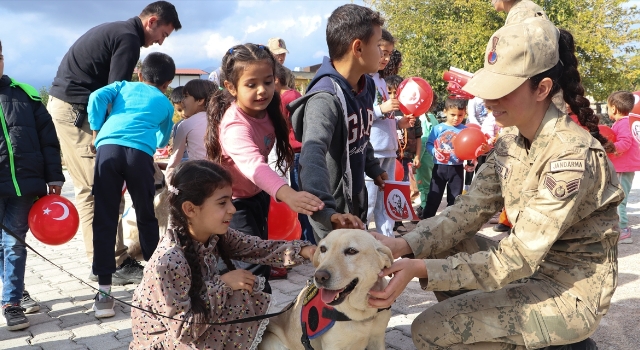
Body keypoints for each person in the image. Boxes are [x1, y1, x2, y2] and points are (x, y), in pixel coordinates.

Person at [369, 17, 621, 350]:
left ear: (542, 88)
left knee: (431, 330)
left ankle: (562, 342)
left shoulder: (570, 157)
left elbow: (517, 258)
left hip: (568, 292)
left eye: (502, 90)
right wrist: (404, 246)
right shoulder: (512, 140)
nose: (488, 101)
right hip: (530, 274)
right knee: (441, 241)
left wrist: (419, 268)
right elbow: (466, 213)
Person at [47, 1, 181, 283]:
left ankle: (111, 259)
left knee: (104, 189)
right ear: (152, 21)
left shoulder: (121, 32)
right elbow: (112, 95)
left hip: (74, 107)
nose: (159, 42)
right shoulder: (129, 39)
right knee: (96, 191)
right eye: (163, 35)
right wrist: (100, 132)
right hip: (76, 111)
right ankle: (110, 264)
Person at [130, 160, 315, 349]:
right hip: (167, 342)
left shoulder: (216, 236)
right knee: (237, 294)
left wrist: (306, 251)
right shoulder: (169, 261)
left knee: (242, 291)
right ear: (190, 209)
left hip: (192, 329)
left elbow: (258, 248)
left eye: (231, 200)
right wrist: (223, 284)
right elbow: (183, 331)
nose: (233, 209)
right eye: (222, 203)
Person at [206, 43, 324, 293]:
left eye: (268, 82)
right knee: (253, 271)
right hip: (232, 203)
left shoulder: (268, 110)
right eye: (251, 84)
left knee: (257, 259)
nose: (262, 91)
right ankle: (257, 322)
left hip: (255, 196)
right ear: (231, 87)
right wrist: (289, 195)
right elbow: (254, 166)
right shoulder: (235, 126)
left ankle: (253, 317)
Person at [289, 4, 387, 242]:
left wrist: (373, 168)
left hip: (355, 205)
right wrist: (326, 212)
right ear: (358, 47)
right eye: (378, 45)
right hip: (332, 215)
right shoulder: (325, 99)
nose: (383, 54)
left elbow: (362, 135)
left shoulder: (367, 85)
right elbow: (312, 156)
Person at [88, 52, 175, 318]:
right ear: (167, 83)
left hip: (109, 149)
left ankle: (104, 294)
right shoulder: (166, 102)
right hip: (139, 156)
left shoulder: (122, 86)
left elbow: (95, 97)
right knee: (146, 216)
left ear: (140, 74)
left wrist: (96, 130)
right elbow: (162, 140)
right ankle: (155, 286)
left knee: (104, 217)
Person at [0, 40, 65, 330]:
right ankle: (14, 291)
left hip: (24, 187)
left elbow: (49, 141)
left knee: (14, 243)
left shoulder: (25, 95)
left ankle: (11, 303)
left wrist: (54, 176)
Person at [366, 29, 414, 237]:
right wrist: (380, 109)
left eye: (388, 53)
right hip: (372, 154)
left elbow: (383, 117)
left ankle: (388, 243)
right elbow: (360, 115)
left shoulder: (381, 81)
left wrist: (398, 122)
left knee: (387, 204)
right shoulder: (364, 80)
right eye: (382, 52)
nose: (385, 58)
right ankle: (358, 245)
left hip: (389, 151)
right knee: (368, 204)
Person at [422, 98, 472, 219]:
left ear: (464, 113)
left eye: (460, 115)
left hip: (457, 169)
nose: (456, 118)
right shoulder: (438, 128)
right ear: (445, 112)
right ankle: (426, 222)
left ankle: (450, 224)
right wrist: (434, 151)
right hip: (439, 168)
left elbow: (469, 147)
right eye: (453, 114)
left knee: (454, 199)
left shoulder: (465, 130)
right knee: (434, 197)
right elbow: (428, 144)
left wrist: (469, 162)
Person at [387, 74, 422, 227]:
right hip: (391, 158)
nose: (393, 96)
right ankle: (394, 220)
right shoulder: (386, 113)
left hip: (406, 157)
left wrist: (418, 156)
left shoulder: (412, 112)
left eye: (396, 92)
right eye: (389, 93)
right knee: (390, 188)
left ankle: (402, 217)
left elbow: (419, 136)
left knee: (404, 188)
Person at [166, 79, 217, 181]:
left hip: (199, 176)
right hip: (221, 175)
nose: (183, 101)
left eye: (186, 97)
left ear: (200, 100)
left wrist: (170, 183)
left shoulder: (186, 125)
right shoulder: (220, 119)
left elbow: (174, 161)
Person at [607, 90, 640, 244]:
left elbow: (625, 143)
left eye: (607, 107)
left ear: (613, 108)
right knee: (619, 198)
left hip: (623, 168)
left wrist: (610, 147)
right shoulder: (627, 122)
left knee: (619, 200)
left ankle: (624, 230)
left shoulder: (623, 124)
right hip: (624, 167)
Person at [414, 92, 440, 219]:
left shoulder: (423, 118)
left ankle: (424, 209)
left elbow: (423, 141)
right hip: (431, 158)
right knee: (429, 183)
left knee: (423, 185)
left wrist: (417, 158)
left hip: (424, 158)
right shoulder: (432, 117)